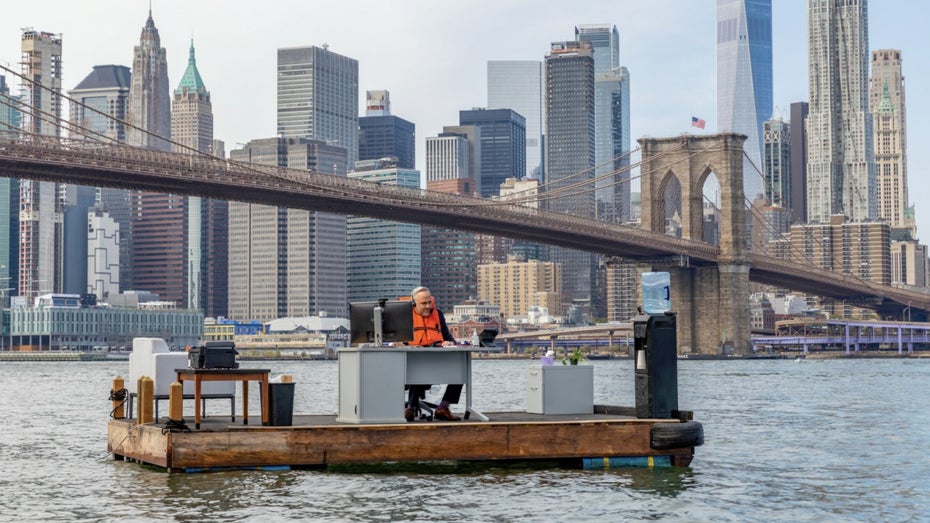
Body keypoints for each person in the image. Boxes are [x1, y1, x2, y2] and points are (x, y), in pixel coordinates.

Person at [405, 286, 463, 422]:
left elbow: (449, 338)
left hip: (436, 361)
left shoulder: (438, 314)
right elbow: (395, 340)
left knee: (460, 371)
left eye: (429, 302)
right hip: (411, 363)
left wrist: (448, 343)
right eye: (423, 303)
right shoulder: (404, 316)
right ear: (414, 303)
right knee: (418, 369)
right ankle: (410, 408)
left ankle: (443, 407)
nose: (428, 306)